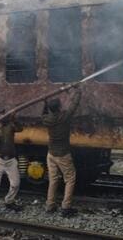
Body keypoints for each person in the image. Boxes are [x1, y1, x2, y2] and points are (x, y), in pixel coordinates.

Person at [42, 86, 82, 217]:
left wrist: (44, 103)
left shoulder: (47, 119)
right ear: (59, 107)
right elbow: (74, 104)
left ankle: (50, 205)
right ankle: (66, 207)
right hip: (63, 153)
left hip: (51, 153)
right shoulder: (64, 117)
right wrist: (78, 91)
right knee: (70, 178)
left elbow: (43, 114)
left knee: (53, 179)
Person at [0, 113, 24, 216]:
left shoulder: (10, 125)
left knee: (15, 183)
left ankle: (9, 201)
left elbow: (20, 129)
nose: (3, 116)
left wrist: (15, 120)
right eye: (0, 115)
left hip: (11, 159)